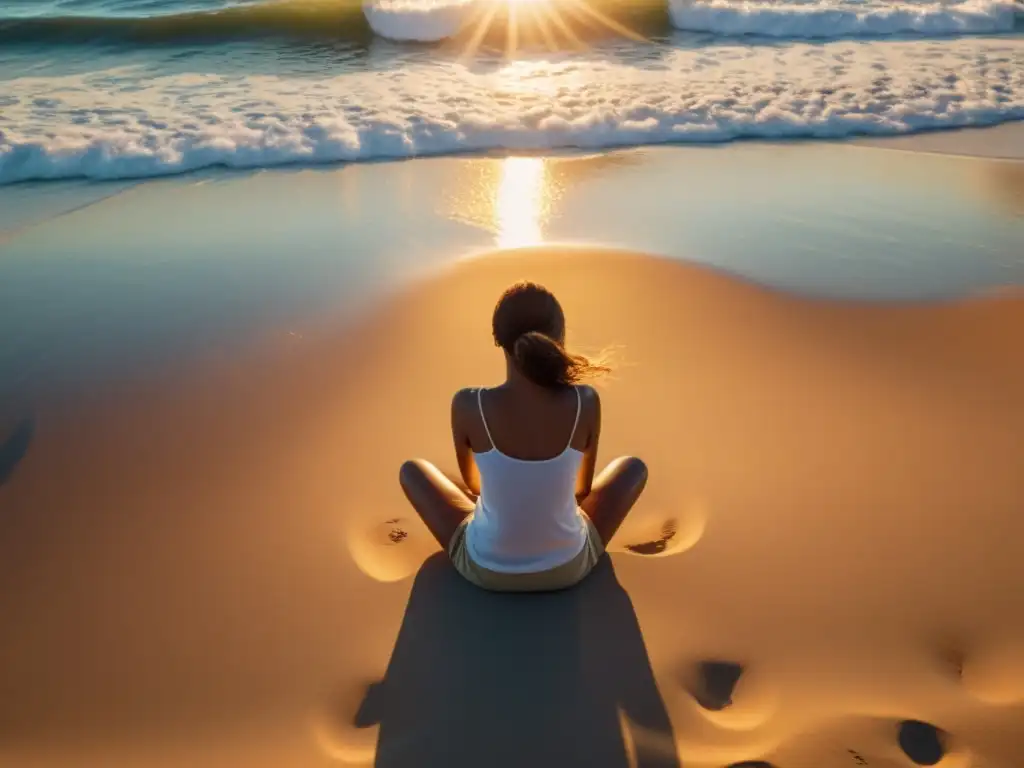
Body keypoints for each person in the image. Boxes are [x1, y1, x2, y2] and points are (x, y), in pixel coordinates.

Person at [399, 281, 648, 592]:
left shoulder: (468, 404)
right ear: (558, 339)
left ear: (496, 338)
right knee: (633, 468)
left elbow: (474, 485)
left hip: (485, 568)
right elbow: (582, 489)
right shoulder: (585, 400)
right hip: (568, 567)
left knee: (412, 471)